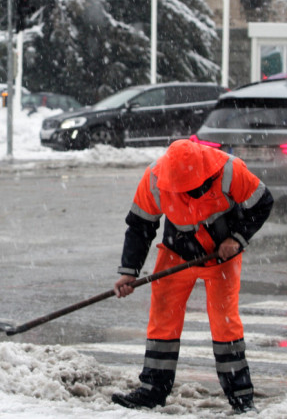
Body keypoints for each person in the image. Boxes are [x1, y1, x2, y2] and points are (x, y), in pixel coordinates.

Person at [111, 138, 274, 414]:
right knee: (163, 319)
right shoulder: (154, 179)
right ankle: (153, 390)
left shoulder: (230, 170)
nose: (189, 195)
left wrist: (237, 238)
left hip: (221, 256)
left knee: (225, 324)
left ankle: (241, 396)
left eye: (195, 189)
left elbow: (263, 203)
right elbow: (140, 226)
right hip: (176, 251)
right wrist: (129, 272)